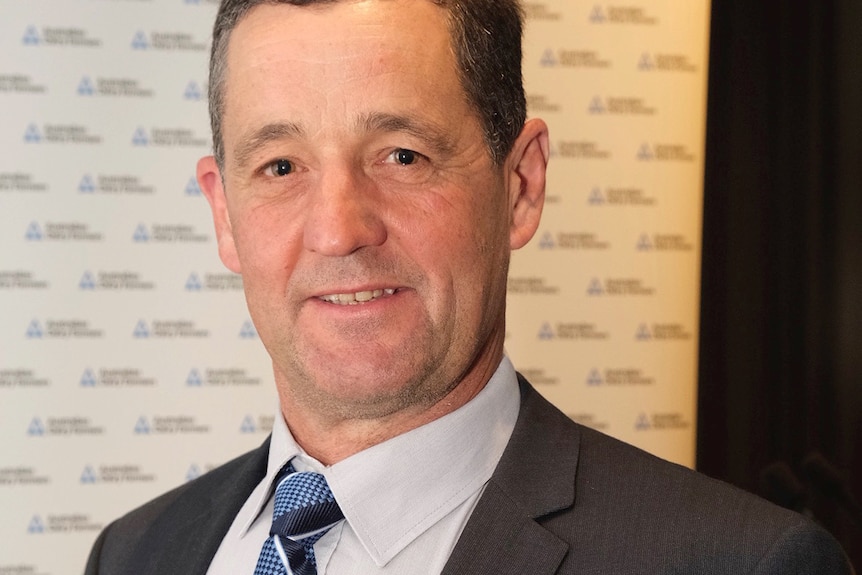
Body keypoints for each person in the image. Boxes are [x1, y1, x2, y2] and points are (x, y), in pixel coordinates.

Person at [85, 0, 853, 573]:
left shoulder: (739, 563)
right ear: (224, 212)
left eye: (403, 155)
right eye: (281, 167)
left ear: (520, 185)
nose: (339, 229)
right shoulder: (132, 553)